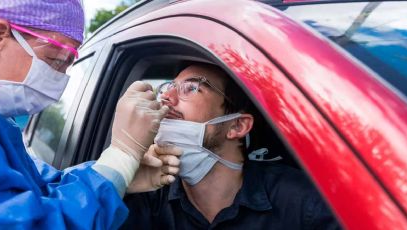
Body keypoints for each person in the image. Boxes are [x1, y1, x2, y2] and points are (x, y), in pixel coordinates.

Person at [0, 1, 181, 229]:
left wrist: (117, 174)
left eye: (67, 65)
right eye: (55, 60)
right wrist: (121, 157)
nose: (59, 81)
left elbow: (38, 186)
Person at [122, 63, 341, 229]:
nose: (166, 98)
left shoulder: (301, 202)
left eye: (190, 88)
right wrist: (118, 179)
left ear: (237, 125)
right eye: (168, 87)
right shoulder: (146, 196)